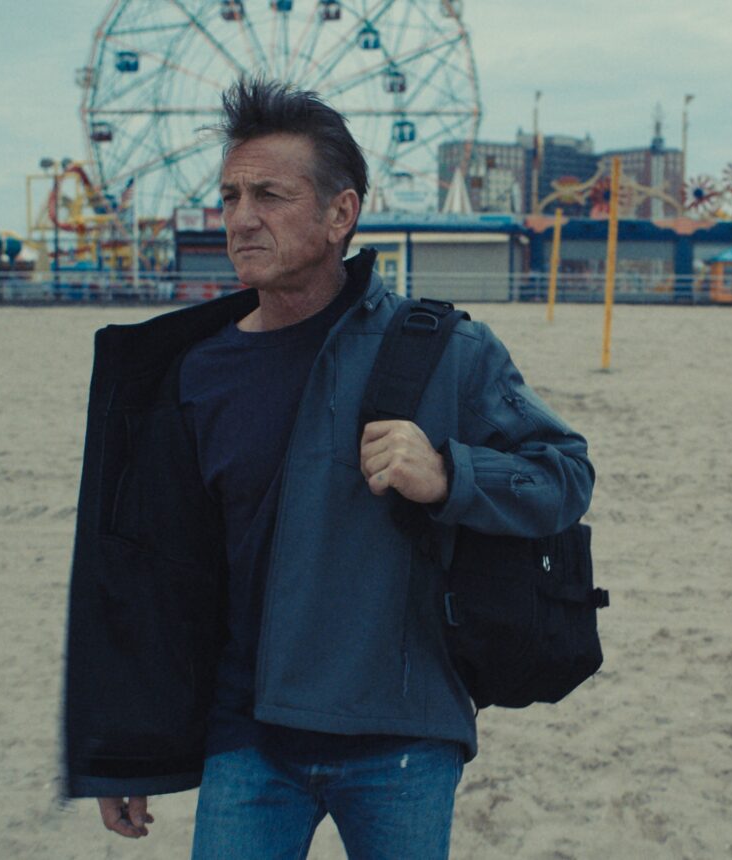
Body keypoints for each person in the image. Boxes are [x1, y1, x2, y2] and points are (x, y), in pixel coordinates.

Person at [61, 77, 593, 859]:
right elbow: (155, 574)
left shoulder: (445, 349)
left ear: (341, 214)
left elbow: (565, 475)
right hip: (246, 737)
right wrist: (123, 747)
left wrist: (452, 477)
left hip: (402, 735)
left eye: (270, 196)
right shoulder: (192, 370)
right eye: (231, 196)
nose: (241, 218)